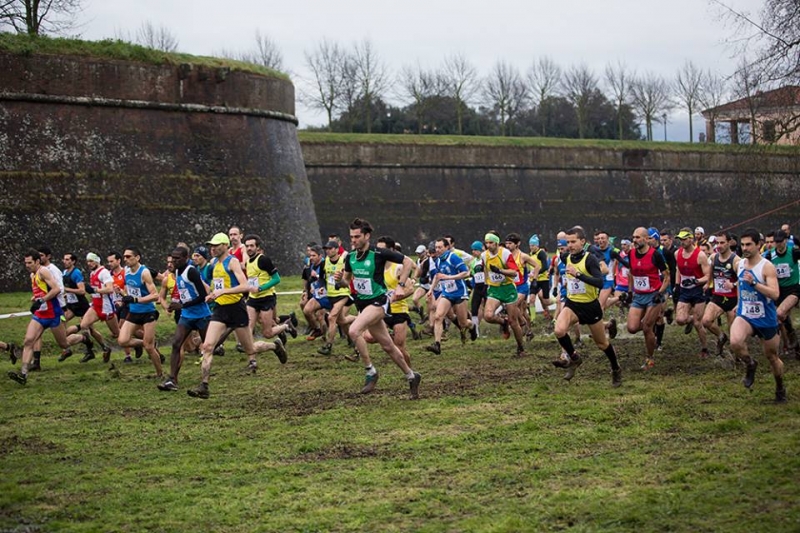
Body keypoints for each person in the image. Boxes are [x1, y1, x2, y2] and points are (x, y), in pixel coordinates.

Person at [187, 233, 286, 399]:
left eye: (216, 245)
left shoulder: (232, 262)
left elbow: (245, 285)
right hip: (220, 309)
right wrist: (211, 293)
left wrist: (223, 291)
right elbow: (215, 284)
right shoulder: (213, 263)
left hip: (236, 309)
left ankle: (274, 346)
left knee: (251, 349)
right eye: (211, 245)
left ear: (225, 246)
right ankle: (204, 385)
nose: (213, 248)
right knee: (208, 346)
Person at [335, 218, 421, 399]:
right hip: (363, 304)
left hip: (379, 302)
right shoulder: (350, 257)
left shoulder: (379, 253)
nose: (353, 240)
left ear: (367, 236)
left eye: (357, 236)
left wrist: (401, 284)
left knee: (353, 330)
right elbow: (347, 281)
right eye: (351, 237)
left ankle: (370, 370)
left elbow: (407, 261)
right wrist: (339, 280)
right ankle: (411, 375)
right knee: (388, 346)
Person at [552, 227, 622, 386]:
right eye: (567, 242)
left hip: (590, 306)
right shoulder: (565, 257)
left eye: (573, 242)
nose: (569, 245)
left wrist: (578, 274)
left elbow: (599, 282)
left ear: (582, 242)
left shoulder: (590, 259)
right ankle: (574, 358)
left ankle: (616, 368)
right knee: (559, 330)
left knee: (602, 344)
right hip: (572, 304)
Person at [8, 250, 90, 385]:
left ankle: (83, 338)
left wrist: (41, 300)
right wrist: (36, 298)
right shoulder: (32, 275)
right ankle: (23, 374)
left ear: (37, 262)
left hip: (53, 314)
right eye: (25, 263)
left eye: (29, 263)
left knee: (64, 344)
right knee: (29, 341)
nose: (27, 265)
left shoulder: (43, 271)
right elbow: (41, 291)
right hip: (40, 314)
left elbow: (56, 289)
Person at [728, 228, 786, 403]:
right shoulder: (739, 264)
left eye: (749, 245)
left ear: (758, 245)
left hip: (766, 318)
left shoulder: (766, 267)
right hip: (745, 314)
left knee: (772, 357)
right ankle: (750, 364)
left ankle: (780, 387)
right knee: (735, 342)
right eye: (743, 244)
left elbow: (775, 294)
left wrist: (755, 284)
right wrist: (739, 302)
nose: (744, 248)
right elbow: (740, 285)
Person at [158, 248, 212, 392]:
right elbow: (184, 292)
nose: (174, 261)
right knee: (176, 344)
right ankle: (172, 379)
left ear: (186, 258)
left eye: (177, 258)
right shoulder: (175, 272)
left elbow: (202, 296)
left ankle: (204, 382)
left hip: (201, 315)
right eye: (172, 258)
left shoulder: (191, 271)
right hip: (187, 315)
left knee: (209, 346)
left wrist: (182, 305)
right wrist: (176, 304)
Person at [626, 227, 670, 370]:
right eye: (634, 237)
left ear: (646, 239)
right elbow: (631, 273)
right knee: (632, 328)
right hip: (639, 296)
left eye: (638, 237)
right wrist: (630, 291)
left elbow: (667, 276)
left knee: (646, 328)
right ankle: (653, 337)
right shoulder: (631, 254)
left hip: (653, 295)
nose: (635, 240)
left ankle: (650, 358)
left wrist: (660, 293)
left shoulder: (655, 255)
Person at [117, 247, 164, 377]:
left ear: (137, 258)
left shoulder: (144, 272)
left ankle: (160, 374)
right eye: (124, 257)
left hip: (148, 313)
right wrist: (123, 296)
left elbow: (155, 295)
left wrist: (136, 299)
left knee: (149, 348)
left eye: (128, 257)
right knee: (122, 341)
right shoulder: (126, 272)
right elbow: (131, 293)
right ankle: (144, 343)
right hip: (133, 312)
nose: (125, 259)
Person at [244, 234, 297, 346]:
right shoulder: (247, 262)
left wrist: (260, 288)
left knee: (267, 333)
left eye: (252, 246)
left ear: (257, 247)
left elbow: (276, 279)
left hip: (266, 298)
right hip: (253, 299)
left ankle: (286, 326)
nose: (249, 248)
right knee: (248, 327)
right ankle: (251, 355)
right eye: (247, 246)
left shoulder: (264, 260)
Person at [425, 237, 476, 355]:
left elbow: (465, 272)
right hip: (447, 293)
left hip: (459, 293)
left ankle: (472, 327)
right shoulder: (437, 260)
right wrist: (431, 290)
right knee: (438, 316)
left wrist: (449, 277)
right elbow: (438, 276)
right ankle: (437, 345)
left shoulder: (453, 257)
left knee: (463, 323)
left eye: (440, 247)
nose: (437, 250)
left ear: (447, 247)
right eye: (436, 247)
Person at [481, 232, 527, 357]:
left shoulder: (505, 254)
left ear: (496, 242)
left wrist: (500, 271)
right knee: (488, 316)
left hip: (508, 289)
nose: (488, 245)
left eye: (491, 242)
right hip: (494, 290)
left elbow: (514, 273)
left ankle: (520, 347)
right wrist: (486, 284)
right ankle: (503, 322)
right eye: (487, 243)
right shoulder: (484, 255)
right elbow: (486, 269)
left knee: (514, 321)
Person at [673, 228, 712, 358]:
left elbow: (708, 276)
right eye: (680, 239)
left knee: (697, 323)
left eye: (684, 239)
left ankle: (705, 348)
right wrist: (677, 285)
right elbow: (678, 269)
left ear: (691, 239)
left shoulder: (700, 255)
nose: (682, 242)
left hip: (698, 291)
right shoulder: (677, 253)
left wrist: (696, 281)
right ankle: (689, 320)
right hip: (684, 291)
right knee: (679, 320)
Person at [701, 231, 740, 356]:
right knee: (706, 321)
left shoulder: (736, 260)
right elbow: (711, 271)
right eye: (717, 243)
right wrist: (708, 283)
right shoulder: (714, 257)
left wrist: (733, 285)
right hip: (718, 296)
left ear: (729, 243)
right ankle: (721, 336)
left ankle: (737, 358)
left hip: (733, 299)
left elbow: (743, 279)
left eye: (722, 242)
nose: (719, 245)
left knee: (734, 334)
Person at [764, 229, 800, 359]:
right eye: (776, 242)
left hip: (793, 290)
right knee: (780, 318)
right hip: (778, 291)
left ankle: (791, 337)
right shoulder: (769, 255)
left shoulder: (794, 252)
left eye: (780, 241)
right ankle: (795, 345)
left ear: (785, 241)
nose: (778, 244)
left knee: (780, 313)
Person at [317, 240, 355, 356]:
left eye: (330, 248)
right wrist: (322, 287)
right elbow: (322, 278)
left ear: (336, 249)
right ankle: (353, 331)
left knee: (332, 317)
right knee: (342, 320)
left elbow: (351, 277)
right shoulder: (325, 262)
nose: (328, 251)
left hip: (343, 293)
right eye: (326, 249)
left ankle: (328, 345)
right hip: (331, 295)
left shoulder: (344, 261)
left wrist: (342, 281)